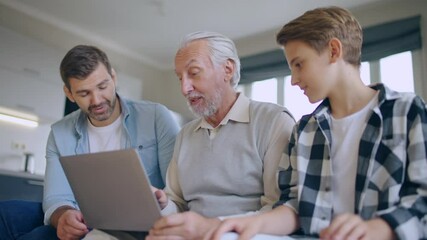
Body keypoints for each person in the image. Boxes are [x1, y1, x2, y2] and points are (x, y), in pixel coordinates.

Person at [212, 6, 427, 240]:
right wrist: (250, 223)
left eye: (299, 64)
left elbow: (422, 197)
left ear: (334, 51)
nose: (293, 80)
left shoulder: (406, 110)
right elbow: (294, 205)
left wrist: (380, 228)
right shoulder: (304, 130)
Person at [0, 45, 180, 240]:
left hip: (141, 225)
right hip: (84, 221)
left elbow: (176, 190)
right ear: (69, 93)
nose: (96, 100)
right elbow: (56, 198)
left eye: (102, 87)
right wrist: (63, 217)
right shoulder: (60, 133)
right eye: (84, 94)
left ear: (113, 77)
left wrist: (162, 201)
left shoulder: (155, 117)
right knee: (8, 213)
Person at [144, 31, 295, 240]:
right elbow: (177, 204)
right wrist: (162, 203)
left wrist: (213, 227)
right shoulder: (186, 134)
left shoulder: (273, 120)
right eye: (180, 78)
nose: (184, 88)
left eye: (194, 73)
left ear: (227, 69)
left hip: (247, 232)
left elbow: (278, 206)